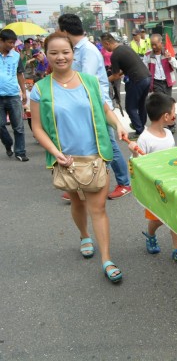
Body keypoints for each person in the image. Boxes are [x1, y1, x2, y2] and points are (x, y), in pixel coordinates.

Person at [29, 33, 127, 283]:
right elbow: (38, 127)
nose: (60, 57)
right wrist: (55, 153)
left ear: (73, 53)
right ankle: (84, 235)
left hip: (96, 154)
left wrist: (118, 125)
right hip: (66, 159)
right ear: (46, 55)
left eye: (65, 52)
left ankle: (107, 259)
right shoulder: (40, 89)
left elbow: (105, 109)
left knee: (99, 207)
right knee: (77, 202)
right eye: (54, 53)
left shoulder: (89, 81)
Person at [59, 13, 132, 201]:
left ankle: (124, 183)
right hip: (83, 105)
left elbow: (85, 80)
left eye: (60, 31)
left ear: (65, 31)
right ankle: (84, 184)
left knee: (108, 144)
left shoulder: (88, 50)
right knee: (88, 144)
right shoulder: (77, 49)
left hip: (97, 105)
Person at [128, 93, 177, 266]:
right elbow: (137, 164)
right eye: (173, 112)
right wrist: (135, 151)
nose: (174, 115)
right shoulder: (145, 138)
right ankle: (150, 235)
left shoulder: (167, 133)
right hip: (155, 188)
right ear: (166, 116)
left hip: (172, 184)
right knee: (158, 219)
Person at [100, 32, 151, 140]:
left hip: (136, 79)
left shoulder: (115, 55)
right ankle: (140, 125)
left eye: (103, 45)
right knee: (141, 104)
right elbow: (127, 67)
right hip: (146, 77)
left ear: (107, 43)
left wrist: (102, 81)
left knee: (130, 107)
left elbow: (115, 75)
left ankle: (139, 130)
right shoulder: (125, 48)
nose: (104, 48)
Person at [0, 29, 29, 162]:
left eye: (13, 43)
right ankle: (7, 143)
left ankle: (20, 152)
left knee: (18, 126)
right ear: (1, 41)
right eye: (10, 42)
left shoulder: (16, 56)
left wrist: (23, 92)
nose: (12, 45)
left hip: (13, 95)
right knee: (0, 125)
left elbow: (20, 75)